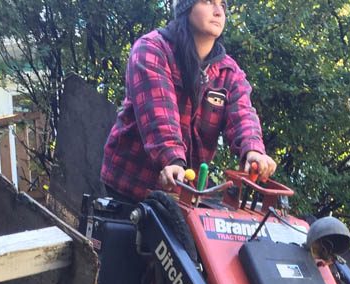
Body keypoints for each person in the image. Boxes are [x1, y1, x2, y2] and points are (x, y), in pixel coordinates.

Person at [99, 0, 277, 202]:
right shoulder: (152, 50)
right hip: (132, 184)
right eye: (208, 2)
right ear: (185, 7)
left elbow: (243, 115)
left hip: (184, 193)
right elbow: (159, 114)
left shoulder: (229, 72)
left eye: (222, 5)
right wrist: (172, 159)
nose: (218, 11)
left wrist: (253, 149)